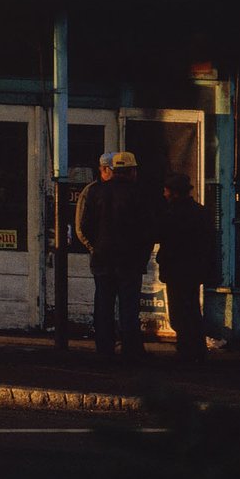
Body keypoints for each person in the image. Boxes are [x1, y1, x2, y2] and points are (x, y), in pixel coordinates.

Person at [78, 150, 156, 362]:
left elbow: (84, 226)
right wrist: (141, 255)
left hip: (102, 258)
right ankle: (130, 350)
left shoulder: (96, 192)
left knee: (103, 305)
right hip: (129, 261)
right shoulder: (140, 193)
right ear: (132, 171)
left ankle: (104, 348)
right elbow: (148, 230)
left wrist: (97, 247)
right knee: (128, 308)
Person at [155, 172, 216, 362]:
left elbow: (161, 237)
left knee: (179, 312)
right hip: (194, 269)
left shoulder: (170, 214)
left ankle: (186, 349)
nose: (164, 195)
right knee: (192, 309)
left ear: (173, 193)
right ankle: (196, 349)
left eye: (166, 191)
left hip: (175, 269)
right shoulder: (201, 212)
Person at [74, 151, 114, 250]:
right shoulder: (90, 191)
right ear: (104, 169)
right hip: (101, 252)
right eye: (115, 171)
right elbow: (81, 226)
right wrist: (94, 248)